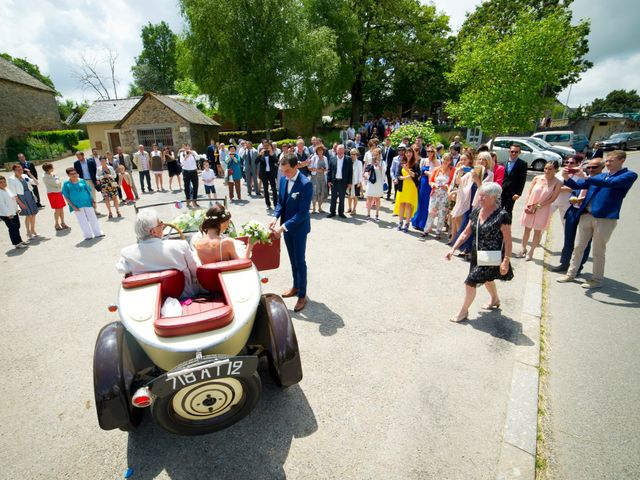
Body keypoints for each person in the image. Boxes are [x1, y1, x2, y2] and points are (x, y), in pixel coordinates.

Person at [557, 150, 638, 289]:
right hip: (586, 215)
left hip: (604, 218)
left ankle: (597, 279)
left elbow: (611, 183)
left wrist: (585, 175)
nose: (607, 163)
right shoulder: (602, 176)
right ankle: (571, 274)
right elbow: (578, 185)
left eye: (611, 160)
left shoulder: (628, 175)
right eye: (606, 161)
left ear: (622, 160)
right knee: (578, 247)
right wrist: (566, 177)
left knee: (598, 250)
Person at [446, 182, 513, 322]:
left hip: (492, 254)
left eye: (484, 196)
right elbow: (465, 233)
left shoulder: (502, 215)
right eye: (480, 195)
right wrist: (453, 248)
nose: (480, 198)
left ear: (494, 197)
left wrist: (506, 260)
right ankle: (495, 299)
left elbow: (508, 240)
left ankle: (463, 312)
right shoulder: (476, 212)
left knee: (470, 281)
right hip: (478, 254)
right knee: (487, 279)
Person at [116, 209, 199, 298]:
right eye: (160, 223)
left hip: (151, 300)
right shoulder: (180, 245)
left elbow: (120, 268)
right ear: (153, 232)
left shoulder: (128, 253)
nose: (163, 225)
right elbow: (195, 272)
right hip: (184, 295)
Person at [268, 154, 313, 312]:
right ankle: (295, 286)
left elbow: (302, 213)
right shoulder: (282, 179)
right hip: (285, 227)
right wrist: (275, 217)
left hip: (299, 228)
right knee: (293, 259)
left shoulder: (306, 184)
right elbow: (281, 202)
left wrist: (283, 227)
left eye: (287, 171)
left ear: (296, 167)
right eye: (282, 171)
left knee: (300, 261)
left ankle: (302, 295)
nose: (284, 174)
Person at [550, 157, 599, 274]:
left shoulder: (598, 179)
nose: (590, 169)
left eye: (593, 167)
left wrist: (583, 178)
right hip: (573, 210)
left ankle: (578, 267)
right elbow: (574, 188)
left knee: (584, 242)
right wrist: (573, 196)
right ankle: (565, 263)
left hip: (586, 213)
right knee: (568, 238)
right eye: (588, 167)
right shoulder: (581, 179)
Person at [518, 161, 562, 260]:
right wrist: (527, 205)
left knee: (537, 231)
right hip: (530, 206)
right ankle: (523, 249)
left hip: (543, 209)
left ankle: (531, 252)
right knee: (527, 229)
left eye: (550, 169)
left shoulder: (558, 183)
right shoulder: (537, 178)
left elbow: (552, 199)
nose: (547, 171)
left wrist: (537, 206)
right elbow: (528, 193)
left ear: (555, 170)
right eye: (546, 168)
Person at [61, 167, 104, 241]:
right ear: (68, 175)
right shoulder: (66, 184)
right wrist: (72, 206)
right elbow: (66, 196)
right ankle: (88, 235)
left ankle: (98, 233)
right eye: (71, 174)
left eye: (75, 173)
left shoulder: (82, 180)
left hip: (87, 202)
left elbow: (89, 191)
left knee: (93, 218)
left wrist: (93, 201)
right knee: (82, 220)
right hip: (76, 205)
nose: (74, 175)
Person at [423, 153, 454, 238]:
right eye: (444, 159)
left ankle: (438, 232)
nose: (445, 161)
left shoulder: (453, 170)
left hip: (445, 195)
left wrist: (447, 186)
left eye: (448, 160)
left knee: (442, 213)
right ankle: (426, 230)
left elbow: (453, 183)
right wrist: (433, 184)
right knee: (431, 212)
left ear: (450, 161)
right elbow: (431, 181)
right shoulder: (437, 169)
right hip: (435, 193)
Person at [8, 163, 39, 239]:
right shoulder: (11, 179)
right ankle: (28, 232)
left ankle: (33, 230)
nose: (20, 171)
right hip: (21, 197)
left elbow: (36, 183)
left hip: (29, 195)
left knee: (33, 214)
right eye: (17, 170)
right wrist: (20, 203)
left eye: (21, 169)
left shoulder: (25, 176)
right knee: (29, 215)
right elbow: (13, 193)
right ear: (13, 171)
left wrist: (30, 174)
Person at [411, 146, 439, 230]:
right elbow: (420, 172)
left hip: (430, 183)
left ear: (434, 152)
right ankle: (417, 222)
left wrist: (429, 173)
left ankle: (424, 224)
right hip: (423, 182)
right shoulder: (423, 160)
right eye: (428, 151)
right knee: (421, 201)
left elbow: (438, 173)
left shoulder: (437, 162)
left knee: (427, 203)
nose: (429, 153)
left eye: (431, 151)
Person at [394, 147, 420, 232]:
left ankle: (407, 224)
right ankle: (400, 222)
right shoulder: (401, 163)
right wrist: (405, 177)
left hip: (411, 187)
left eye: (410, 152)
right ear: (405, 154)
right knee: (402, 205)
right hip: (402, 187)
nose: (408, 154)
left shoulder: (415, 164)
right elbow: (397, 175)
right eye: (407, 152)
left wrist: (407, 170)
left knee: (408, 205)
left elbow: (416, 175)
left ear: (412, 154)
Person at [0, 175, 28, 248]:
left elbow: (13, 199)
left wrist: (17, 208)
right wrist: (8, 214)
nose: (3, 183)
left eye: (4, 181)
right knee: (12, 228)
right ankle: (17, 243)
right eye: (1, 182)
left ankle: (19, 240)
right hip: (6, 214)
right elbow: (2, 205)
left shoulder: (7, 189)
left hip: (14, 211)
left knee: (17, 226)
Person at [327, 145, 353, 218]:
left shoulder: (348, 159)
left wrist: (350, 182)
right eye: (339, 150)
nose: (340, 151)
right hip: (334, 182)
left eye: (342, 150)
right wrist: (329, 181)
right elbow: (329, 171)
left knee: (342, 198)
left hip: (343, 182)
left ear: (344, 150)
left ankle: (341, 213)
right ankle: (332, 212)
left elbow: (350, 172)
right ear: (336, 151)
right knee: (333, 198)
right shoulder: (332, 159)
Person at [501, 144, 528, 215]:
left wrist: (518, 193)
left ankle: (507, 226)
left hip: (512, 193)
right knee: (497, 211)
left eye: (516, 152)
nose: (514, 153)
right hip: (501, 191)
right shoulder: (503, 163)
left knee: (508, 212)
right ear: (509, 151)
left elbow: (522, 179)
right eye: (512, 151)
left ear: (519, 152)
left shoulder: (523, 164)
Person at [42, 163, 69, 230]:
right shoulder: (46, 177)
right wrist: (57, 178)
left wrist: (56, 178)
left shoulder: (51, 175)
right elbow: (57, 184)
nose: (53, 168)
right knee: (57, 209)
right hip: (53, 193)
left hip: (58, 193)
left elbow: (57, 184)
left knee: (61, 208)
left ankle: (63, 222)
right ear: (48, 169)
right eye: (52, 167)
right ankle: (56, 224)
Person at [364, 148, 385, 221]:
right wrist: (367, 174)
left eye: (377, 154)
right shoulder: (370, 163)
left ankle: (377, 215)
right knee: (369, 198)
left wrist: (378, 165)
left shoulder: (383, 163)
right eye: (374, 154)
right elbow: (366, 172)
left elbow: (383, 173)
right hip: (371, 183)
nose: (376, 156)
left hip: (378, 183)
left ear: (380, 155)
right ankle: (368, 214)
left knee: (377, 199)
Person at [308, 144, 328, 214]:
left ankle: (320, 208)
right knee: (314, 192)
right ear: (317, 151)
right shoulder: (314, 157)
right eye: (319, 150)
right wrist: (317, 170)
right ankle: (313, 208)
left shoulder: (325, 158)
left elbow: (327, 168)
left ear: (323, 151)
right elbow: (309, 168)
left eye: (321, 150)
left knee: (322, 192)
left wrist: (324, 169)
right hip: (315, 177)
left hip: (322, 177)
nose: (320, 151)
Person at [347, 148, 363, 215]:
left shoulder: (359, 162)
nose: (352, 155)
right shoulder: (348, 161)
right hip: (349, 182)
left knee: (355, 196)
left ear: (357, 155)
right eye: (351, 154)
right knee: (349, 196)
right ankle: (349, 208)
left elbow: (360, 173)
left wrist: (359, 182)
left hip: (356, 181)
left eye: (354, 154)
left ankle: (354, 209)